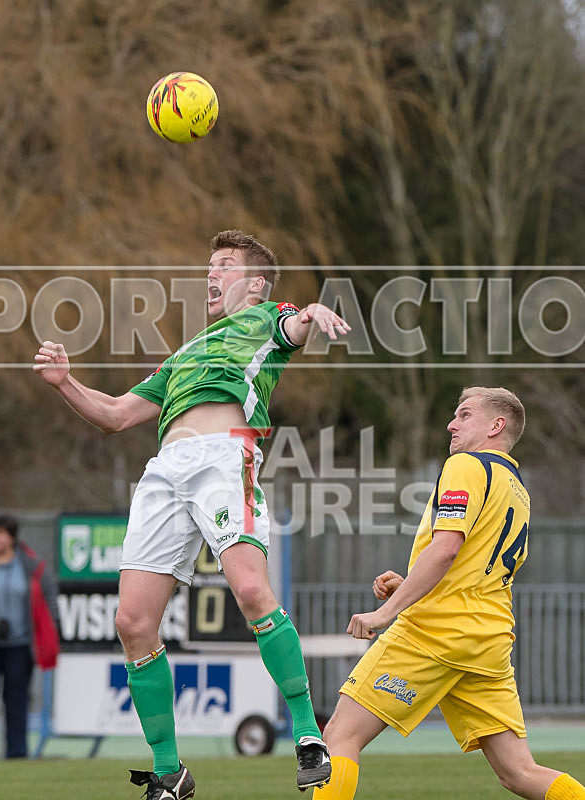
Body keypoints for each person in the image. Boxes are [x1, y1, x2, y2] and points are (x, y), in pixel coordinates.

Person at [34, 230, 349, 798]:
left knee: (252, 593)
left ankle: (307, 733)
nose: (210, 273)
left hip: (226, 456)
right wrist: (66, 384)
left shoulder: (264, 317)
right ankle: (170, 773)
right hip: (164, 470)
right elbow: (114, 414)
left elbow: (296, 324)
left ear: (254, 284)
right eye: (209, 264)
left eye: (224, 265)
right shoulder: (186, 352)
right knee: (131, 624)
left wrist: (313, 312)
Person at [313, 387, 585, 800]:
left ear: (497, 426)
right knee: (519, 772)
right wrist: (409, 586)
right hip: (488, 642)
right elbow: (474, 571)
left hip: (435, 633)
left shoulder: (466, 465)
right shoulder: (517, 488)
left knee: (340, 735)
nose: (451, 424)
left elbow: (446, 548)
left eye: (464, 414)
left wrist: (387, 611)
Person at [0, 513, 59, 759]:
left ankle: (17, 754)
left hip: (20, 644)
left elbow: (49, 600)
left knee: (16, 699)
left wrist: (51, 631)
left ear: (10, 537)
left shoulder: (31, 565)